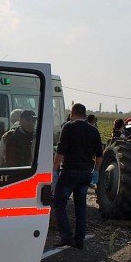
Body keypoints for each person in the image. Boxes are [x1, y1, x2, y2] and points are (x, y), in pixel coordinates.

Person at [53, 102, 103, 248]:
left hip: (69, 172)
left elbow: (60, 152)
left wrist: (54, 170)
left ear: (72, 114)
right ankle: (79, 240)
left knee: (59, 203)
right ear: (85, 114)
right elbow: (99, 156)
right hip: (86, 174)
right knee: (81, 207)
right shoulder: (94, 130)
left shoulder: (68, 127)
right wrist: (96, 171)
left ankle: (66, 237)